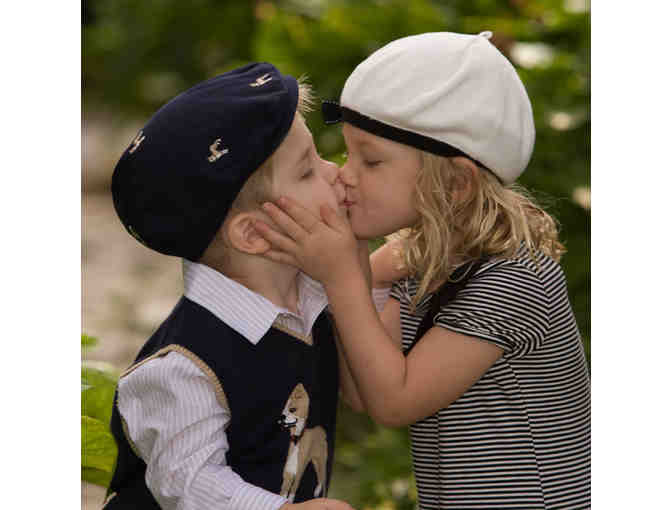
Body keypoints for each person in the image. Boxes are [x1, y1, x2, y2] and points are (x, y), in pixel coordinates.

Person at [254, 32, 591, 509]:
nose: (346, 174)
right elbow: (364, 391)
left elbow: (395, 402)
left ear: (454, 183)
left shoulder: (516, 276)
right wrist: (358, 266)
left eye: (370, 160)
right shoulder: (425, 260)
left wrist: (345, 276)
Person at [103, 62, 362, 510]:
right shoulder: (182, 368)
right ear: (253, 234)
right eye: (307, 171)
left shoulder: (311, 296)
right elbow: (190, 484)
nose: (335, 173)